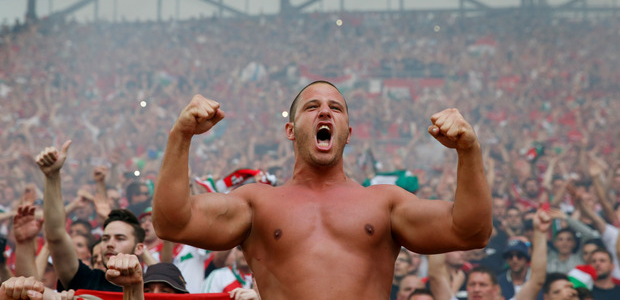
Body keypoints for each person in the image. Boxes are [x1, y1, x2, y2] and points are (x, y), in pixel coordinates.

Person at [153, 81, 493, 299]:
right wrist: (180, 135)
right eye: (312, 107)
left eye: (336, 108)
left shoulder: (385, 203)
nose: (325, 111)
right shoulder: (256, 203)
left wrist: (469, 150)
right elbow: (173, 224)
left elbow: (471, 232)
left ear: (348, 131)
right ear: (290, 129)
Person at [36, 139, 146, 292]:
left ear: (139, 248)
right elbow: (55, 236)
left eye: (120, 238)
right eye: (105, 238)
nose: (109, 244)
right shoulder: (86, 279)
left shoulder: (152, 287)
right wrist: (52, 177)